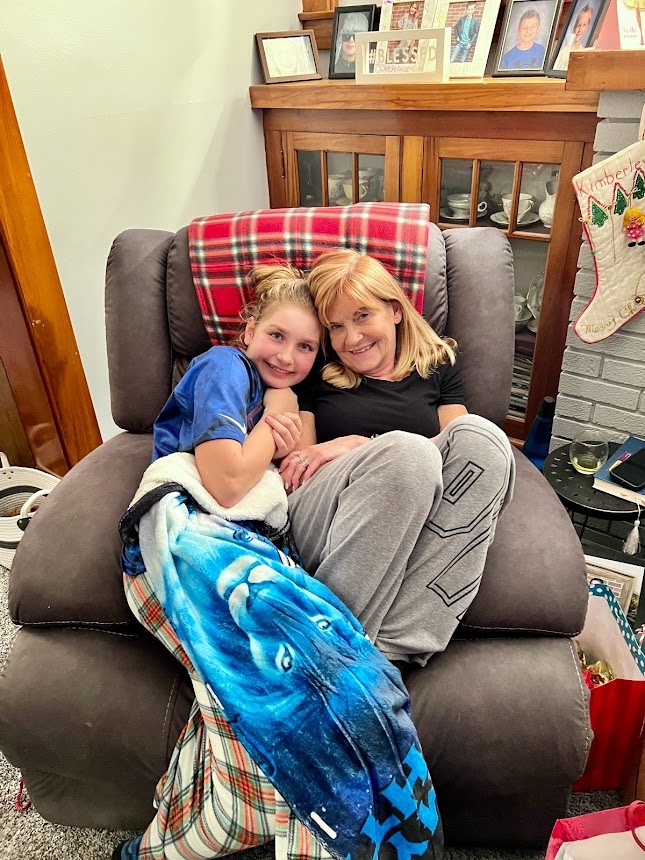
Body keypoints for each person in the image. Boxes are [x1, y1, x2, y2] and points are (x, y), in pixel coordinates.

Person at [279, 250, 515, 666]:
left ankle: (387, 655)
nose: (351, 339)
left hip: (412, 502)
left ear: (395, 310)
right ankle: (329, 645)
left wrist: (367, 442)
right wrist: (349, 448)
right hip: (327, 509)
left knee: (482, 439)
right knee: (408, 452)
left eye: (363, 316)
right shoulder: (316, 370)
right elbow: (302, 468)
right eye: (336, 326)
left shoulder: (438, 367)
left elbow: (458, 462)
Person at [152, 264, 321, 505]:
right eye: (276, 335)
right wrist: (277, 413)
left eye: (305, 346)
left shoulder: (283, 392)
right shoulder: (224, 367)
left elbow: (300, 491)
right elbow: (227, 486)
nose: (286, 357)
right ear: (250, 330)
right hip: (189, 520)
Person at [552, 3, 593, 71]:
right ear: (574, 27)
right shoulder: (564, 51)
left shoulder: (584, 51)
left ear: (587, 27)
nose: (580, 30)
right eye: (578, 25)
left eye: (584, 25)